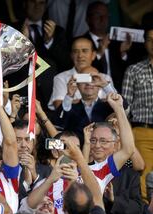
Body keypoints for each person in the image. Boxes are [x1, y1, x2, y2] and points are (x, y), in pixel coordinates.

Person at [122, 25, 153, 201]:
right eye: (150, 39)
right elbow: (125, 105)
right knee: (144, 179)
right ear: (144, 43)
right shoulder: (134, 70)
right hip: (142, 130)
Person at [62, 139, 110, 214]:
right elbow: (96, 194)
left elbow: (96, 195)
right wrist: (79, 157)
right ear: (91, 207)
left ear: (64, 208)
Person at [48, 37, 114, 111]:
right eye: (76, 51)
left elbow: (115, 104)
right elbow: (59, 108)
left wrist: (72, 101)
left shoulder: (105, 78)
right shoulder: (61, 78)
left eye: (84, 51)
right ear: (71, 55)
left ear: (93, 55)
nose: (80, 56)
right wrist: (98, 101)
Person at [84, 1, 132, 93]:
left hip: (117, 92)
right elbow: (79, 70)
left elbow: (128, 71)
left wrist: (123, 54)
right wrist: (99, 53)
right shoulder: (80, 42)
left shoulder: (117, 42)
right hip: (91, 91)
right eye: (98, 15)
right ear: (88, 19)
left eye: (106, 15)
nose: (102, 19)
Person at [61, 66, 116, 144]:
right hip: (77, 151)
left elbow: (123, 106)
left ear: (99, 86)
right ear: (78, 84)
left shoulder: (108, 105)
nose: (88, 83)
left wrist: (106, 85)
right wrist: (69, 96)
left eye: (93, 79)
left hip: (103, 149)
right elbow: (60, 123)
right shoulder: (69, 107)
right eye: (84, 78)